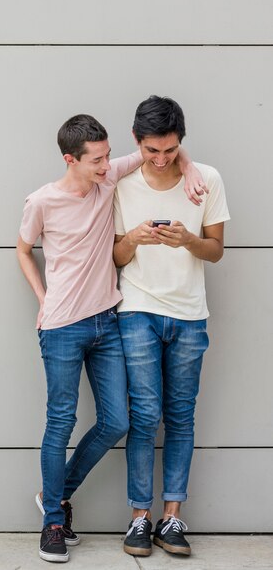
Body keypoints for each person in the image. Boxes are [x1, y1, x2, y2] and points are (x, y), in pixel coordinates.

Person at [16, 114, 204, 563]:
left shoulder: (107, 182)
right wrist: (42, 299)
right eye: (97, 161)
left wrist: (192, 167)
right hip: (61, 326)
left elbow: (154, 152)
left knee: (117, 421)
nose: (107, 166)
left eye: (107, 157)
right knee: (60, 420)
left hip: (108, 323)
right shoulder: (41, 201)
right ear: (71, 159)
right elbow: (23, 250)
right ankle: (54, 524)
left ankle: (55, 494)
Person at [114, 96, 230, 558]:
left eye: (170, 150)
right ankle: (139, 519)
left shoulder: (207, 180)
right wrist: (134, 240)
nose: (161, 159)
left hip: (189, 314)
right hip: (138, 310)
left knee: (181, 416)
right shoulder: (121, 183)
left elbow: (217, 250)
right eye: (151, 151)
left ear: (180, 142)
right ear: (137, 142)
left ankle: (172, 517)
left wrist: (187, 240)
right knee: (144, 416)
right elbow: (116, 259)